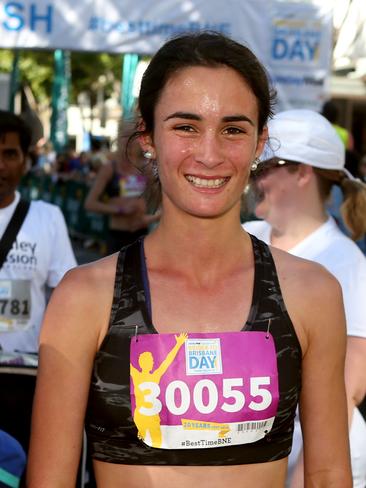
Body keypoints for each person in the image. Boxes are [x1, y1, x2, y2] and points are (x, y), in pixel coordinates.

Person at [27, 33, 352, 488]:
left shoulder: (313, 292)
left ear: (260, 143)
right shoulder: (83, 297)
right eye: (186, 126)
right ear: (148, 137)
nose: (210, 154)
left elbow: (327, 473)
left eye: (234, 129)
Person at [243, 109, 366, 488]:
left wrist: (303, 478)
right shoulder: (246, 237)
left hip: (312, 462)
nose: (254, 178)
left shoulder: (343, 261)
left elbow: (348, 386)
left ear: (302, 172)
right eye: (254, 167)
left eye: (266, 167)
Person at [0, 110, 77, 354]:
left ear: (25, 161)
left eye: (9, 154)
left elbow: (66, 298)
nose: (0, 165)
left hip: (26, 369)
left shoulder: (48, 218)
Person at [84, 123, 160, 254]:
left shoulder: (145, 168)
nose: (127, 141)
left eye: (131, 136)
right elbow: (90, 204)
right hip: (117, 236)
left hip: (141, 235)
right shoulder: (110, 168)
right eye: (123, 136)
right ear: (118, 139)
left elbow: (167, 204)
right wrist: (119, 210)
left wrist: (150, 219)